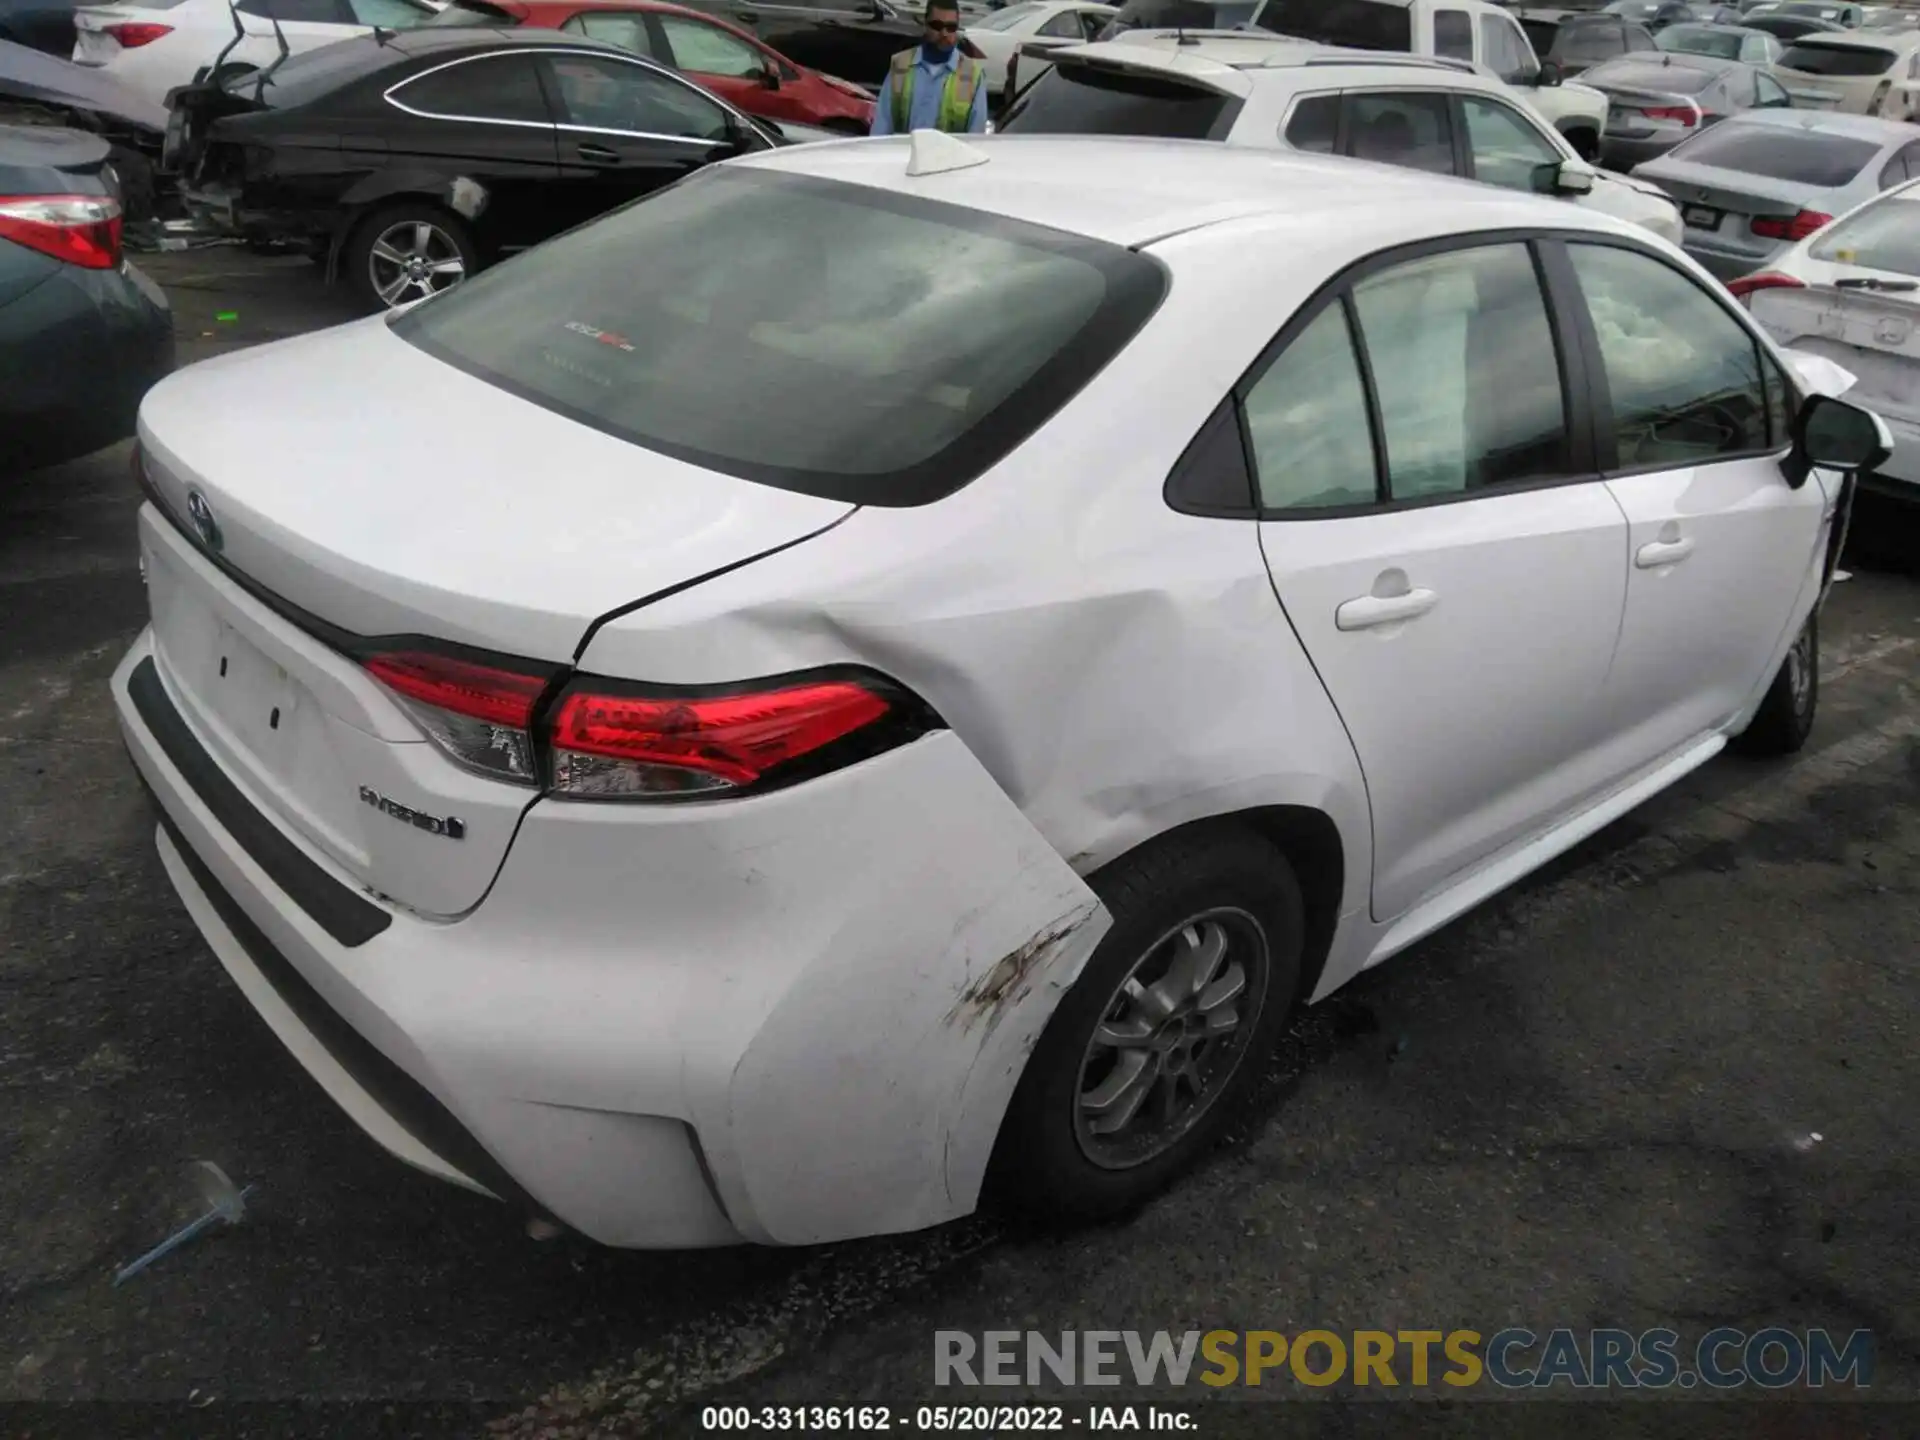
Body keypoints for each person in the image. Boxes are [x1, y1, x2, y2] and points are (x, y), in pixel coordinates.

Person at [870, 0, 988, 137]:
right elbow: (881, 127)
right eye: (937, 26)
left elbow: (975, 138)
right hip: (905, 155)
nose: (944, 33)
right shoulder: (901, 66)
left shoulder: (973, 74)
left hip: (950, 158)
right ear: (925, 25)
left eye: (951, 27)